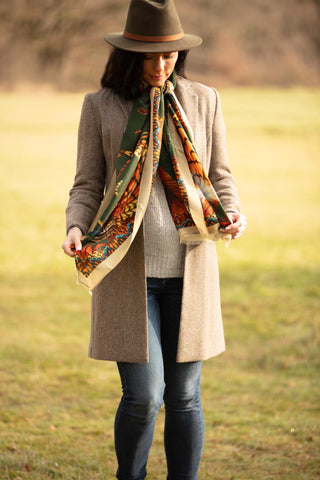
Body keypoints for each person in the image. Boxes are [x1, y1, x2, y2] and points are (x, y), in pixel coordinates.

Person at [62, 0, 246, 478]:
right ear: (129, 55)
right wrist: (75, 226)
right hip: (127, 272)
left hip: (192, 268)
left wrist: (233, 214)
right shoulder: (100, 106)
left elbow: (220, 177)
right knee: (144, 396)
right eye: (149, 56)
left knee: (185, 396)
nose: (161, 66)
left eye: (168, 56)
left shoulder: (205, 100)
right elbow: (87, 183)